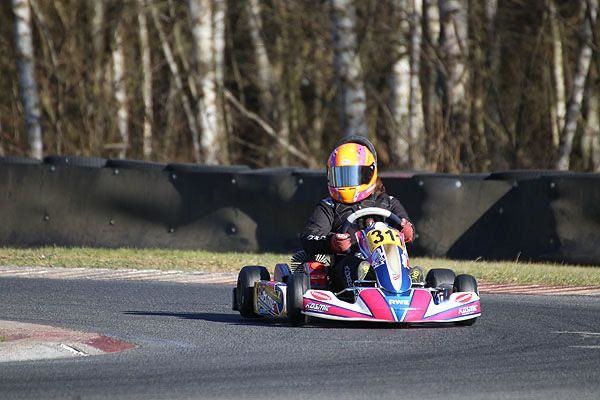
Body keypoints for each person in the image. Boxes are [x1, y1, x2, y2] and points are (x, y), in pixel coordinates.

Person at [300, 135, 420, 298]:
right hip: (347, 265)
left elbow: (407, 229)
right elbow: (309, 238)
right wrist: (332, 242)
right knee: (355, 266)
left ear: (369, 173)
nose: (345, 182)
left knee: (410, 267)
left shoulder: (389, 203)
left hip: (389, 261)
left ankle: (410, 282)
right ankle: (362, 284)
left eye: (351, 175)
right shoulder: (329, 206)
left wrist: (407, 231)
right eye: (340, 176)